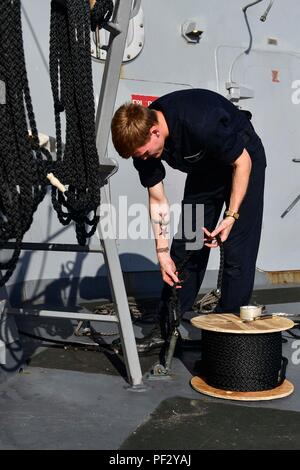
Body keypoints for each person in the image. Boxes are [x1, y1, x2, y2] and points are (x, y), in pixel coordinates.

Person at [111, 88, 266, 353]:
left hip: (242, 158)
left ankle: (227, 333)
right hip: (204, 171)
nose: (145, 159)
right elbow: (158, 200)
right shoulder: (141, 144)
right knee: (187, 246)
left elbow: (242, 163)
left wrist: (231, 216)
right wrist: (161, 253)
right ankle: (164, 329)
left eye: (146, 154)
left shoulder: (200, 122)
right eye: (140, 157)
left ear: (155, 131)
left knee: (237, 251)